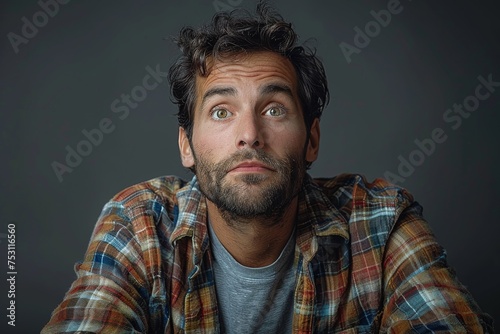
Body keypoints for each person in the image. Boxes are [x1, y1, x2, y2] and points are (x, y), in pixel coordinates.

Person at [42, 2, 494, 333]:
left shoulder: (381, 226)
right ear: (187, 145)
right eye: (221, 111)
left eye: (274, 109)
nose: (250, 134)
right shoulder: (138, 227)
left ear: (311, 139)